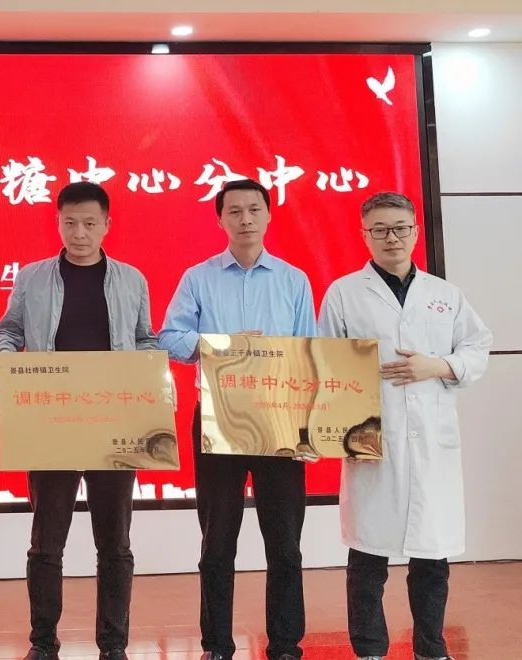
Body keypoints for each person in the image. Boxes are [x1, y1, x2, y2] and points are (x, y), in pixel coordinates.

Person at [318, 191, 492, 660]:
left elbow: (477, 347)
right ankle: (370, 649)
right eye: (379, 229)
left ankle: (431, 648)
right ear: (365, 235)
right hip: (371, 436)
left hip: (431, 442)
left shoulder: (444, 295)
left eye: (400, 228)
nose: (391, 237)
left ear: (415, 232)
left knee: (432, 559)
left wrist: (438, 366)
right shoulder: (343, 293)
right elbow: (325, 361)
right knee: (367, 558)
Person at [0, 181, 157, 660]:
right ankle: (43, 643)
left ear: (107, 224)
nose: (79, 233)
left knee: (115, 544)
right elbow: (9, 330)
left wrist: (149, 374)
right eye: (70, 223)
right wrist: (6, 359)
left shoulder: (132, 279)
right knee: (46, 542)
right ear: (58, 223)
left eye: (89, 223)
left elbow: (145, 339)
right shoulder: (32, 277)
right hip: (52, 422)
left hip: (114, 422)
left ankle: (113, 645)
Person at [159, 179, 314, 660]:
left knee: (285, 544)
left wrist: (309, 428)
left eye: (254, 209)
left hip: (280, 417)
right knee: (217, 541)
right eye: (234, 211)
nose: (245, 219)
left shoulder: (293, 280)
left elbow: (310, 353)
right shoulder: (198, 278)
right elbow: (169, 337)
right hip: (217, 416)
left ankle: (285, 645)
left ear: (268, 215)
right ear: (220, 219)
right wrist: (222, 347)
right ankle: (217, 645)